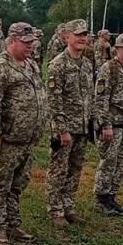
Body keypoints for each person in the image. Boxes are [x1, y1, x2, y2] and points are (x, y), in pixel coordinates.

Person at [0, 22, 47, 245]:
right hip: (8, 138)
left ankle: (13, 223)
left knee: (18, 184)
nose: (31, 47)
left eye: (32, 43)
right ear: (11, 41)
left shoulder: (30, 65)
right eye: (26, 42)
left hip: (27, 137)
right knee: (0, 184)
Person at [46, 19, 93, 227]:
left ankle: (68, 206)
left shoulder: (87, 64)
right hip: (65, 129)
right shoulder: (58, 64)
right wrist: (62, 130)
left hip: (82, 127)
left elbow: (89, 97)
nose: (83, 39)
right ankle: (55, 209)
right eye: (78, 35)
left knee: (75, 169)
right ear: (67, 37)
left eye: (85, 35)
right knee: (59, 169)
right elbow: (54, 100)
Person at [93, 33, 123, 216]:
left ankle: (112, 197)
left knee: (122, 161)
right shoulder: (109, 68)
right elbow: (101, 98)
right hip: (113, 122)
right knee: (109, 161)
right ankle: (101, 198)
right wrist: (105, 125)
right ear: (117, 49)